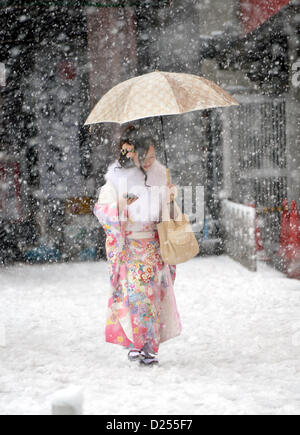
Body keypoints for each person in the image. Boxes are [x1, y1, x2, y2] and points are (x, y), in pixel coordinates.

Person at [93, 125, 182, 366]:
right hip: (130, 248)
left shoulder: (159, 177)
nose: (151, 161)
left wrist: (170, 199)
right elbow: (102, 212)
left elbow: (170, 216)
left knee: (152, 299)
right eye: (146, 156)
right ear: (134, 155)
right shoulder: (116, 179)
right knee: (136, 298)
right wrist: (121, 205)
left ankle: (149, 345)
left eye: (154, 156)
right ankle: (138, 342)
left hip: (154, 248)